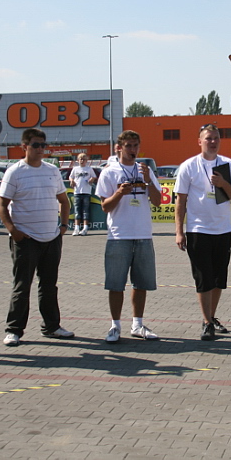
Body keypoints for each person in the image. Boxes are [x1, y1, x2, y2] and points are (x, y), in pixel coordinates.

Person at [0, 128, 74, 347]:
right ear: (25, 146)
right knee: (22, 286)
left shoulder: (52, 170)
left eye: (43, 145)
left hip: (51, 237)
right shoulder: (14, 172)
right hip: (26, 239)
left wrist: (63, 226)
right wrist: (13, 231)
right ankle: (14, 330)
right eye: (36, 145)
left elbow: (64, 201)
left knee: (49, 286)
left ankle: (51, 326)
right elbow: (1, 205)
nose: (40, 149)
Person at [175, 124, 231, 341]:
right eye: (208, 138)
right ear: (199, 141)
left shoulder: (228, 164)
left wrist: (223, 184)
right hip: (198, 230)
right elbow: (180, 201)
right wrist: (179, 231)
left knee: (218, 278)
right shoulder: (188, 166)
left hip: (222, 229)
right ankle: (206, 322)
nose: (213, 142)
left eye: (216, 138)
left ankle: (212, 317)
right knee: (203, 278)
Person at [95, 130, 162, 343]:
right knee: (116, 284)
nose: (133, 150)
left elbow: (158, 201)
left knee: (141, 283)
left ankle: (138, 324)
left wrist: (148, 180)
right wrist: (119, 193)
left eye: (135, 146)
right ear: (119, 148)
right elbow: (105, 206)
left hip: (143, 234)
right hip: (119, 235)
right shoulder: (109, 172)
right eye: (128, 146)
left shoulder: (145, 170)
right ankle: (115, 326)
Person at [69, 153, 97, 236]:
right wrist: (71, 181)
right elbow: (71, 176)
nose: (82, 161)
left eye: (84, 159)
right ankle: (76, 228)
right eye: (80, 159)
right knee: (77, 211)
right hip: (77, 192)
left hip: (86, 192)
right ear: (78, 160)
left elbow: (94, 176)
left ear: (86, 161)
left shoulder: (89, 169)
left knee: (85, 211)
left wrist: (91, 179)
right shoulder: (75, 169)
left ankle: (85, 228)